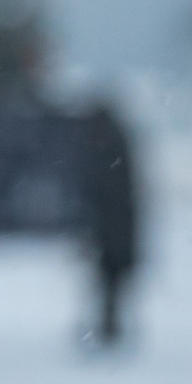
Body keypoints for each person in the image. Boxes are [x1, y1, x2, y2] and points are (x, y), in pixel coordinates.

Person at [77, 99, 139, 348]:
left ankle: (107, 329)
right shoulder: (116, 142)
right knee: (111, 284)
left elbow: (97, 190)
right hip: (116, 230)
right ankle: (108, 328)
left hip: (108, 231)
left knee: (106, 283)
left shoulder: (100, 145)